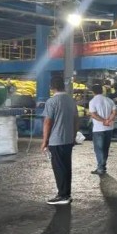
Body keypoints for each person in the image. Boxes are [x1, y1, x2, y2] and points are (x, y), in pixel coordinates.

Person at [41, 76, 79, 205]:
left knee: (59, 168)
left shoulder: (51, 101)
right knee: (67, 167)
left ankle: (62, 196)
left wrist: (44, 141)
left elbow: (47, 122)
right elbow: (76, 120)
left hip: (56, 140)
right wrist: (73, 136)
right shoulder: (71, 100)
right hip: (68, 139)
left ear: (51, 87)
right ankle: (66, 193)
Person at [89, 84, 117, 175]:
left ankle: (100, 168)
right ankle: (103, 166)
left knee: (99, 149)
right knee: (105, 148)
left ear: (93, 92)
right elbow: (114, 112)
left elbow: (93, 115)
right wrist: (108, 120)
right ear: (102, 90)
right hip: (109, 128)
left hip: (98, 129)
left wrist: (103, 121)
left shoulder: (93, 101)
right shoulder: (109, 100)